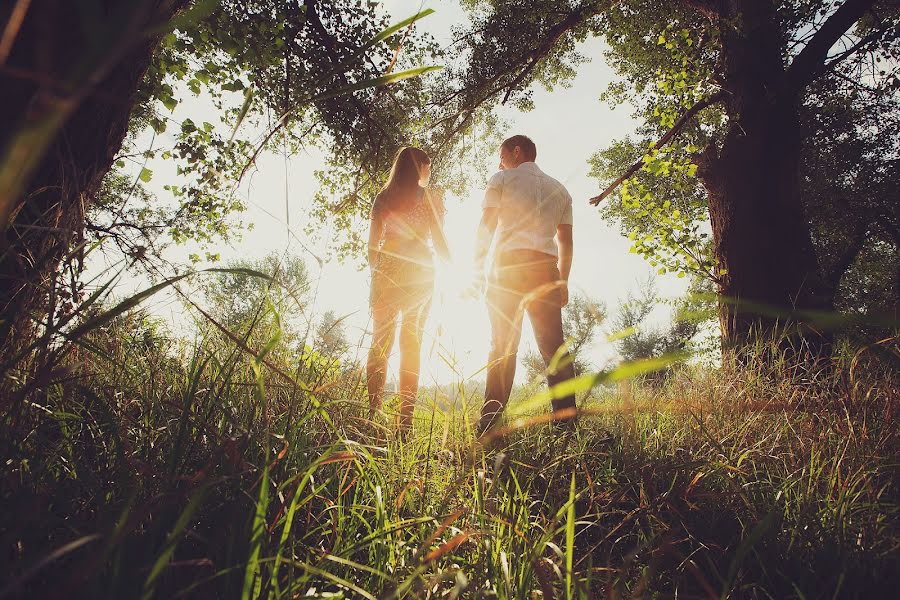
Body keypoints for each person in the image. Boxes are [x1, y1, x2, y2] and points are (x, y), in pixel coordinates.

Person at [474, 134, 576, 435]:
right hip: (545, 269)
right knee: (554, 349)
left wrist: (476, 266)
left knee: (503, 344)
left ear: (516, 152)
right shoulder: (561, 190)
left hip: (509, 267)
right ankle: (566, 425)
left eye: (502, 154)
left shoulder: (502, 178)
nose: (499, 161)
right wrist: (563, 280)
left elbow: (487, 224)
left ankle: (490, 423)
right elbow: (566, 242)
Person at [367, 147, 450, 434]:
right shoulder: (429, 199)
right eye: (428, 168)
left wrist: (378, 272)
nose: (429, 173)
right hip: (419, 273)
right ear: (421, 168)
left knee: (380, 343)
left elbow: (371, 245)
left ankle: (372, 412)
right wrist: (458, 270)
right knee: (411, 343)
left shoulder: (383, 197)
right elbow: (439, 243)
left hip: (386, 274)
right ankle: (405, 422)